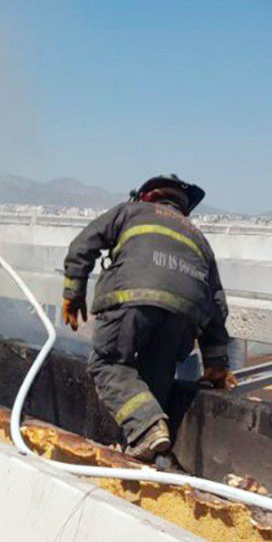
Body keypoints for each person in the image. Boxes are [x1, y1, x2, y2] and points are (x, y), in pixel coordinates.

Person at [61, 174, 238, 463]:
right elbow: (216, 304)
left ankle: (144, 429)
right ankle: (143, 456)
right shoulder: (199, 237)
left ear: (146, 196)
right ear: (184, 207)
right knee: (155, 380)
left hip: (132, 302)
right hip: (183, 320)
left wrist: (73, 291)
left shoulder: (129, 211)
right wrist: (216, 364)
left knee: (108, 363)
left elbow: (83, 245)